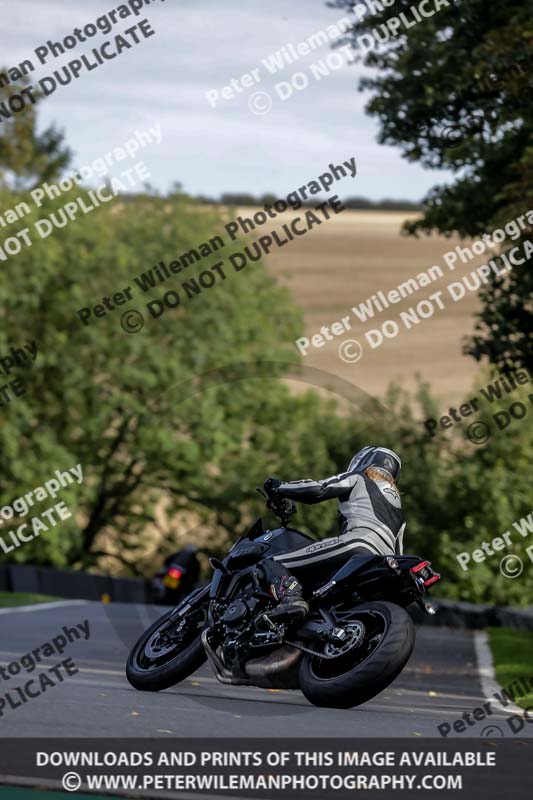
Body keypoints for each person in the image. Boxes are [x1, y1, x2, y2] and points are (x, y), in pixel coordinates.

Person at [259, 446, 405, 622]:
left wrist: (280, 487)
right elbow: (399, 552)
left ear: (364, 460)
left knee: (270, 563)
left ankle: (290, 598)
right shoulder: (399, 512)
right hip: (382, 563)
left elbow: (319, 488)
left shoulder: (359, 478)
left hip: (359, 543)